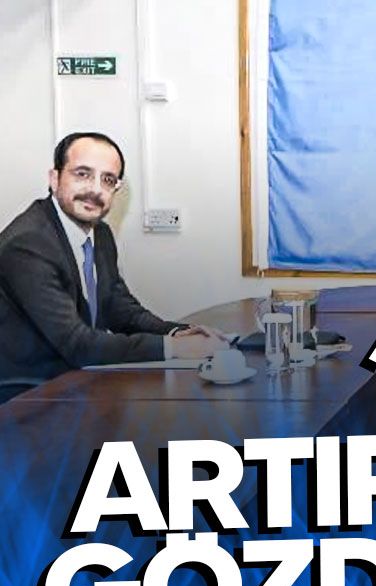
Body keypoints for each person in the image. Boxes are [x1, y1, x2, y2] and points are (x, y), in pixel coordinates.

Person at [0, 132, 227, 398]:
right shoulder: (27, 243)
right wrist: (174, 348)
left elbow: (121, 310)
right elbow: (77, 343)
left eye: (107, 180)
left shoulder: (101, 233)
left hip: (78, 381)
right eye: (82, 174)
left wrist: (179, 333)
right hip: (28, 397)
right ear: (54, 178)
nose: (95, 190)